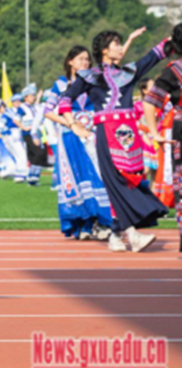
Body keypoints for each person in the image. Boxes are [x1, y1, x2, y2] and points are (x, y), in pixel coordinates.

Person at [59, 30, 170, 252]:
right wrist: (73, 124)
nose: (120, 47)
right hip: (107, 133)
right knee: (118, 181)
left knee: (132, 180)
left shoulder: (127, 73)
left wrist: (172, 41)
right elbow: (65, 100)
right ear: (104, 50)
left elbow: (153, 56)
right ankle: (132, 235)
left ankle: (116, 234)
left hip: (129, 134)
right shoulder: (89, 76)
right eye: (116, 44)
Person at [42, 45, 113, 241]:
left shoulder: (95, 82)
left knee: (98, 177)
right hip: (70, 137)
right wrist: (71, 123)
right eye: (81, 59)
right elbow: (48, 111)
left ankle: (102, 222)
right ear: (70, 62)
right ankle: (83, 224)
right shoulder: (60, 85)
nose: (85, 62)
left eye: (87, 59)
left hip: (93, 135)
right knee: (77, 178)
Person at [142, 23, 182, 252]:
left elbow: (150, 102)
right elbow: (150, 102)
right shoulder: (173, 71)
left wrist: (155, 133)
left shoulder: (172, 70)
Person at [19, 85, 48, 186]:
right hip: (28, 133)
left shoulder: (34, 107)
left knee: (35, 154)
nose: (33, 97)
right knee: (38, 152)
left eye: (34, 96)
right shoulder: (22, 107)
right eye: (31, 96)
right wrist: (23, 127)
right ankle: (32, 176)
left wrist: (39, 96)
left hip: (37, 132)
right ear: (25, 97)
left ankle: (33, 178)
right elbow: (15, 119)